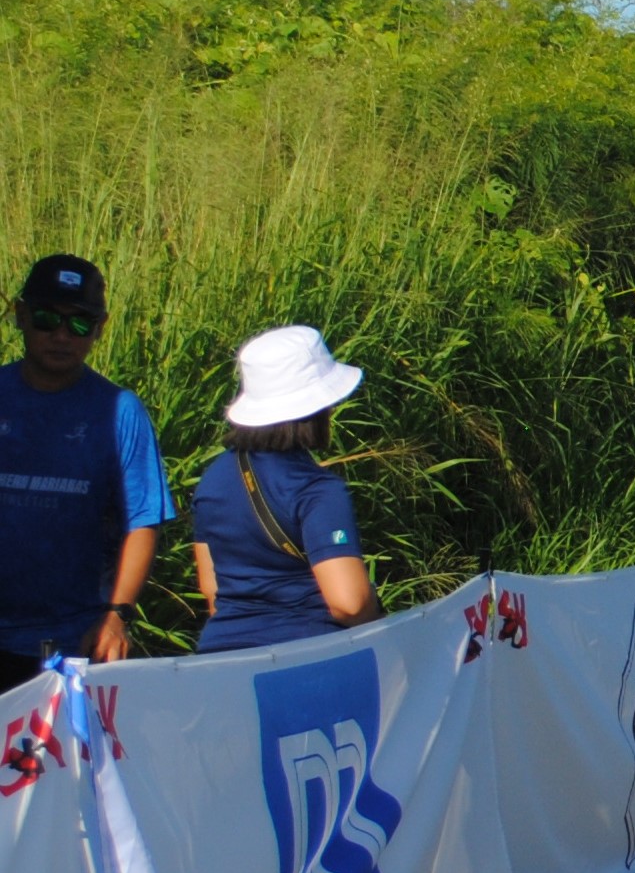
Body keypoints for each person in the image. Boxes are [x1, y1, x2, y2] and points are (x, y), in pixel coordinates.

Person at [0, 254, 176, 694]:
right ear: (21, 315)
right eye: (46, 319)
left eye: (80, 323)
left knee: (57, 764)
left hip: (70, 640)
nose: (62, 335)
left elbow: (143, 519)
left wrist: (118, 614)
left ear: (101, 327)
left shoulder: (119, 411)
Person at [189, 326, 379, 652]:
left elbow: (212, 591)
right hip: (307, 662)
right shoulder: (317, 490)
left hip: (222, 660)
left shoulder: (213, 478)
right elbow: (349, 604)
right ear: (317, 408)